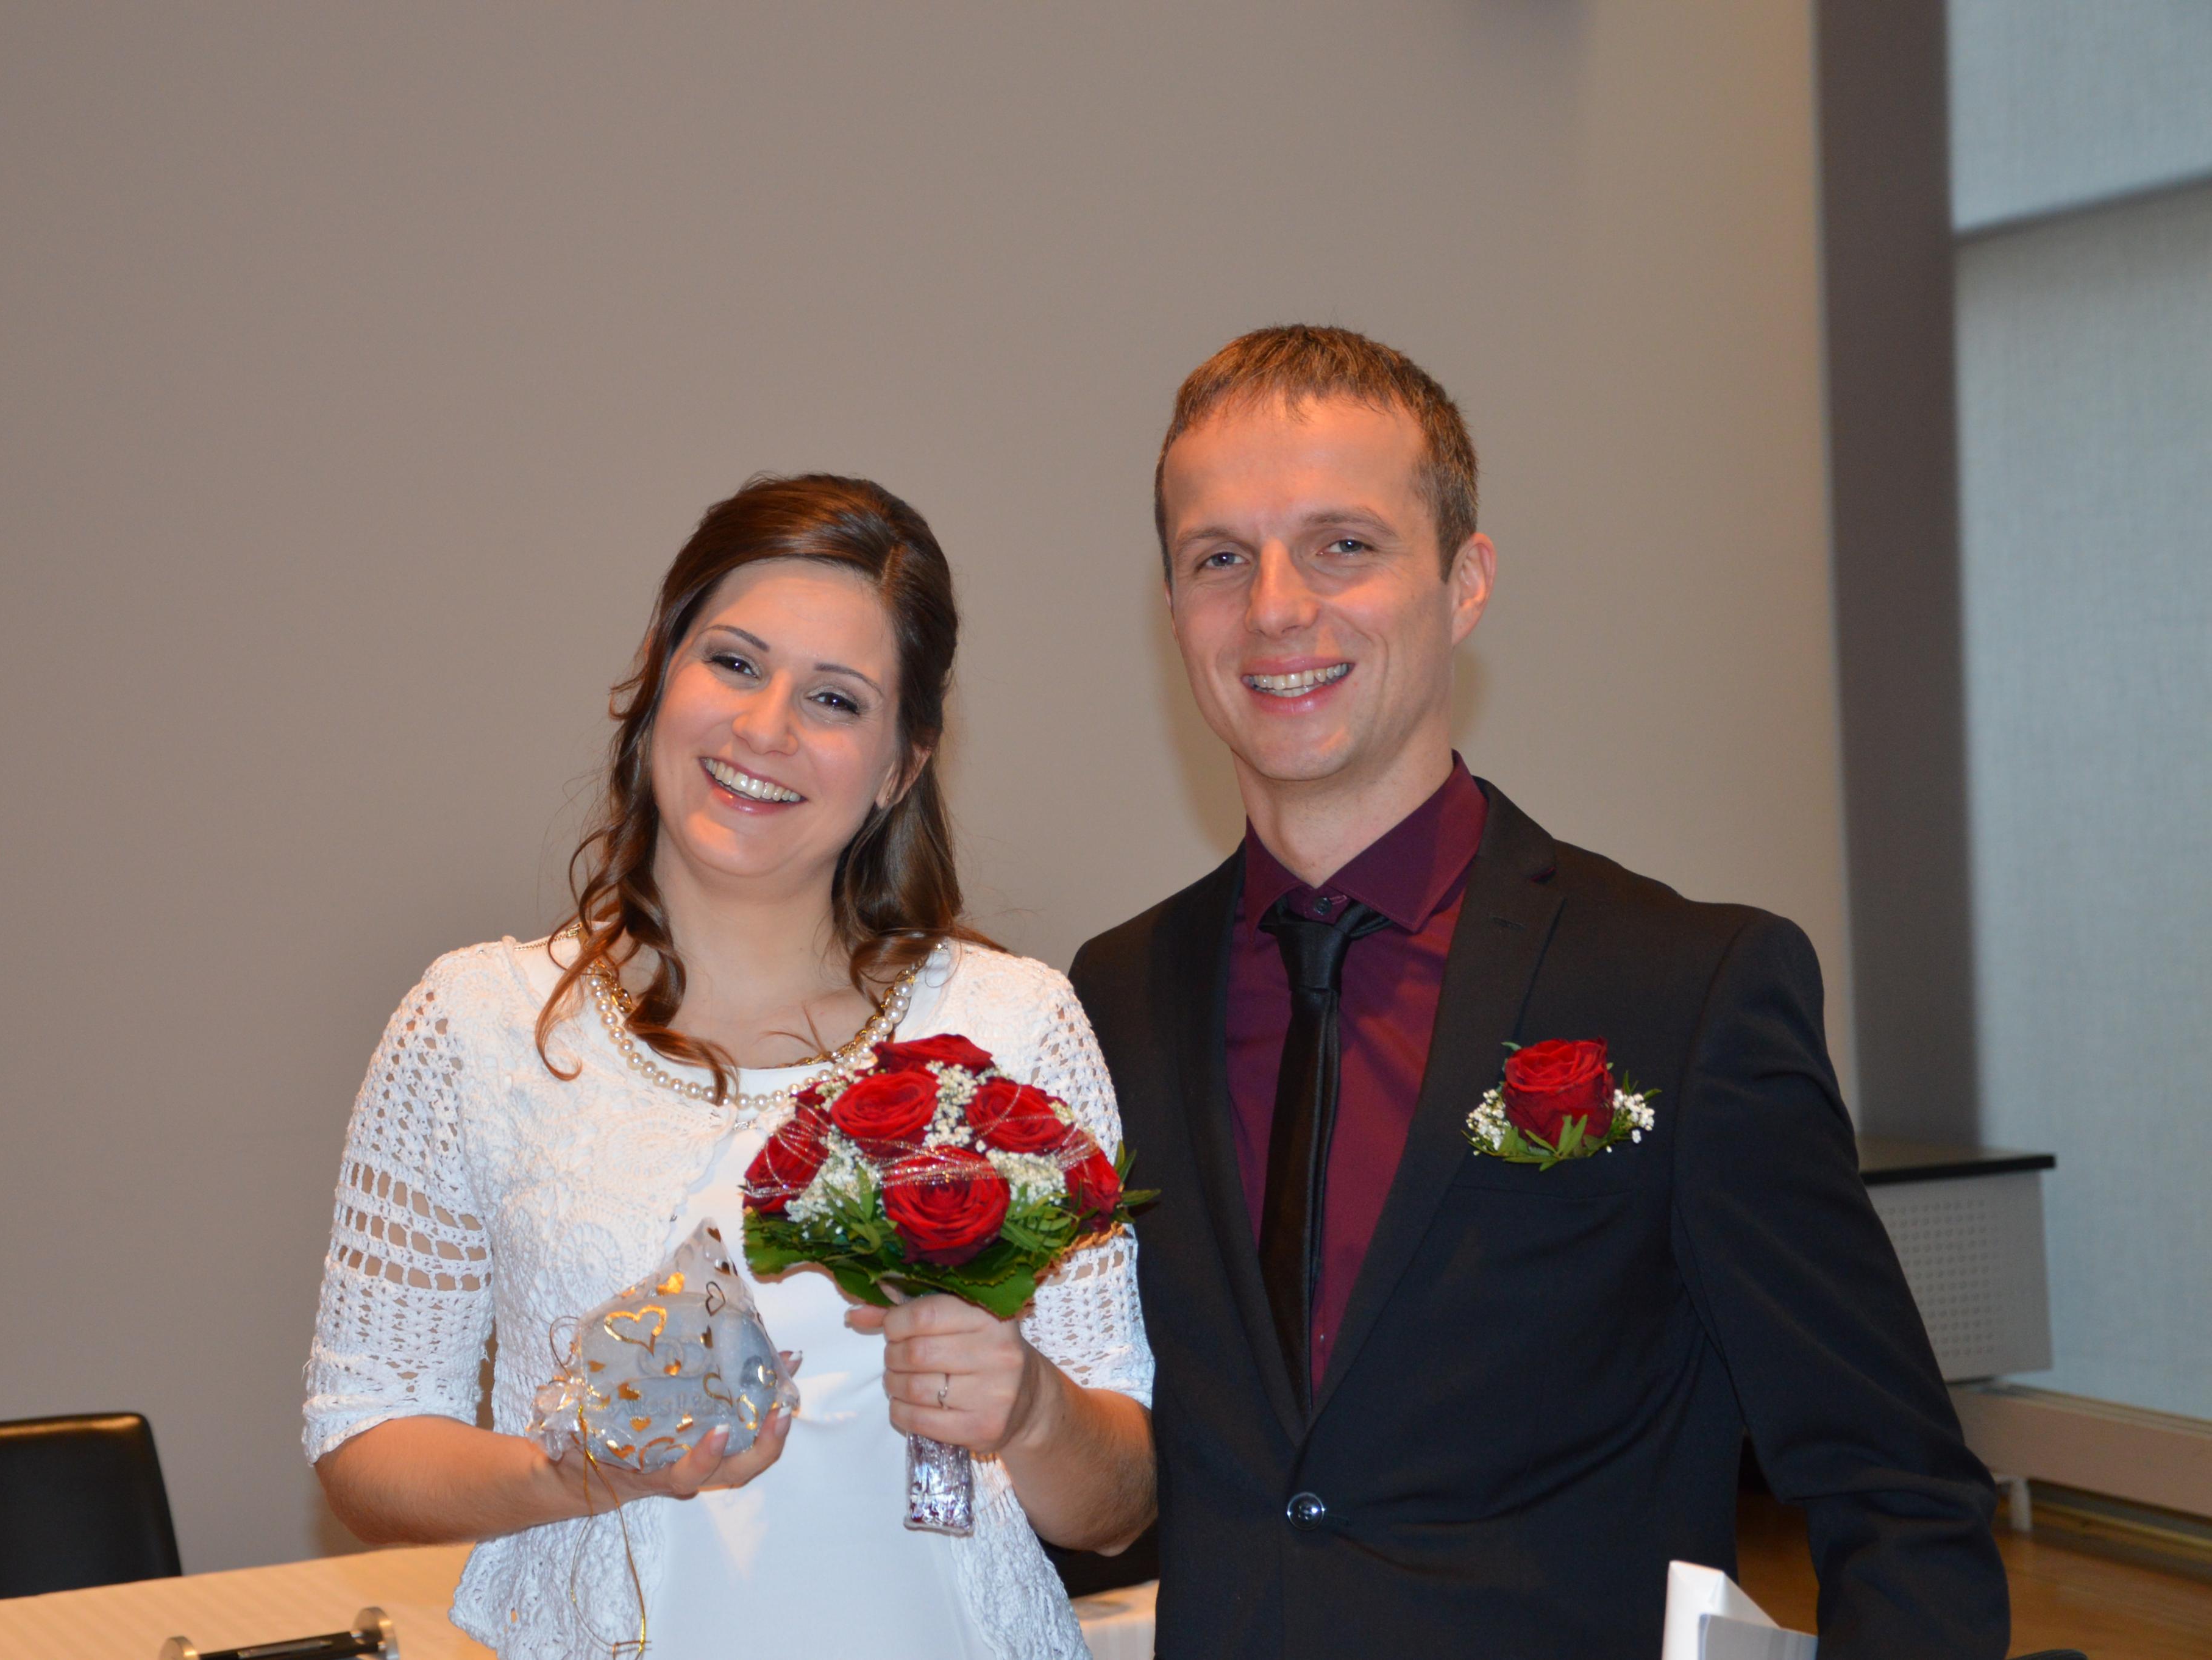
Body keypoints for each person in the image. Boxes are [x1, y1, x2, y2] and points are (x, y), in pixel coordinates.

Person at [1068, 327, 2010, 1658]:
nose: (1274, 607)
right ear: (1173, 607)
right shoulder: (1111, 999)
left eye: (1343, 544)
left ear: (1464, 584)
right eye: (1219, 558)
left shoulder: (1684, 989)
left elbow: (1895, 1490)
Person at [305, 474, 1154, 1660]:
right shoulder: (475, 1025)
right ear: (659, 674)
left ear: (902, 764)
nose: (765, 729)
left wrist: (1030, 1407)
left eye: (835, 698)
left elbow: (1117, 1505)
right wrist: (581, 1474)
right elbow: (364, 1439)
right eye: (735, 663)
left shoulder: (1012, 1026)